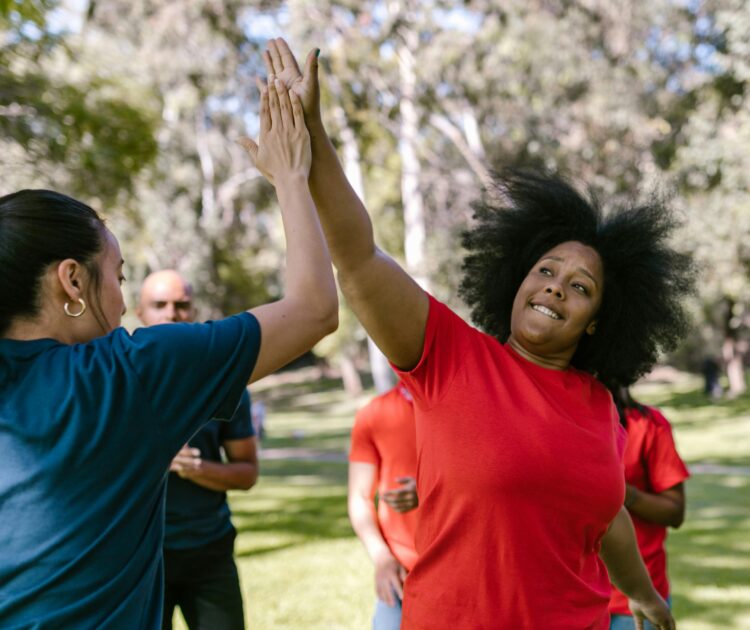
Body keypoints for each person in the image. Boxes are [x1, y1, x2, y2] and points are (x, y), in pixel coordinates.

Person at [261, 38, 696, 629]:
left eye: (580, 286)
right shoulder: (451, 355)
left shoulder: (599, 407)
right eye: (545, 270)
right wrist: (314, 136)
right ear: (517, 280)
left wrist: (643, 595)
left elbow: (606, 513)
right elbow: (360, 258)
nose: (555, 287)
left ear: (597, 320)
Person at [0, 79, 337, 628]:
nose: (122, 300)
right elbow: (315, 309)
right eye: (119, 276)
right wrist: (292, 176)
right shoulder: (130, 375)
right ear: (72, 282)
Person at [136, 270, 258, 630]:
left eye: (182, 305)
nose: (171, 314)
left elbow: (248, 473)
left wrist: (196, 468)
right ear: (139, 312)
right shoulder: (116, 379)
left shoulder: (222, 383)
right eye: (159, 305)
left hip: (210, 553)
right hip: (141, 560)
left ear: (194, 310)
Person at [609, 388, 690, 630]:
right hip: (571, 594)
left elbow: (674, 512)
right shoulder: (557, 420)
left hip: (636, 597)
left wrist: (621, 491)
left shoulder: (648, 423)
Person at [348, 381, 418, 629]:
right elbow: (359, 496)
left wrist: (433, 493)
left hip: (467, 572)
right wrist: (382, 558)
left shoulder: (470, 404)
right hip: (401, 573)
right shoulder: (374, 414)